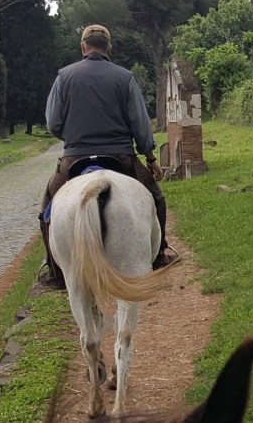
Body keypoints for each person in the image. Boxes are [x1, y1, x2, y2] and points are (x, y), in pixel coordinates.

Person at [38, 24, 176, 290]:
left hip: (74, 157)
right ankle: (159, 254)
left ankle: (54, 270)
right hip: (121, 156)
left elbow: (52, 124)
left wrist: (74, 137)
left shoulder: (64, 77)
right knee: (156, 197)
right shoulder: (124, 78)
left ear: (83, 47)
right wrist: (149, 157)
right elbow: (139, 123)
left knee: (48, 206)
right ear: (109, 48)